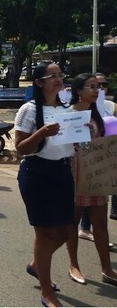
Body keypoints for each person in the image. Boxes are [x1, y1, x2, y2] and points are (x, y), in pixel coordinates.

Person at [14, 62, 73, 307]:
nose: (58, 79)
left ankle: (36, 264)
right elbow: (20, 148)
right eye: (52, 76)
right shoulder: (29, 110)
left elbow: (70, 138)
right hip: (36, 174)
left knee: (67, 232)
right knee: (45, 233)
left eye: (61, 75)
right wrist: (41, 133)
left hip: (62, 171)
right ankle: (47, 292)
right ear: (39, 82)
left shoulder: (67, 107)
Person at [65, 73, 117, 287]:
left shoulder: (98, 114)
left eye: (99, 86)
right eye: (91, 87)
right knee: (72, 223)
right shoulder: (68, 114)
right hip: (74, 175)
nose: (97, 90)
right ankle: (74, 265)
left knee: (101, 224)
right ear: (78, 91)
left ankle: (107, 268)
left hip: (96, 175)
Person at [79, 72, 117, 242]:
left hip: (106, 158)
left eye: (103, 85)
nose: (99, 89)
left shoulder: (111, 105)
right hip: (84, 162)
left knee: (100, 204)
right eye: (94, 85)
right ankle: (85, 228)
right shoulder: (80, 108)